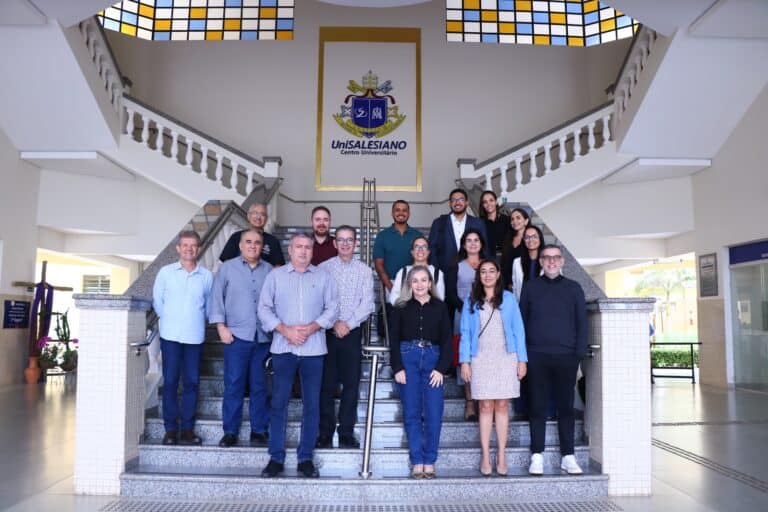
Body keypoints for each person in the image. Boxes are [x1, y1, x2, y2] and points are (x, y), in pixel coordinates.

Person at [257, 233, 339, 478]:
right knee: (279, 403)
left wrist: (313, 327)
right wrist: (286, 330)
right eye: (298, 247)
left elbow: (333, 308)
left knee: (311, 405)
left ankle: (305, 458)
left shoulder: (324, 277)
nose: (303, 251)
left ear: (312, 252)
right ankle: (276, 457)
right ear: (290, 250)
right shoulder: (275, 276)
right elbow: (263, 309)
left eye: (307, 247)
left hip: (314, 351)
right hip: (283, 349)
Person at [519, 244, 587, 476]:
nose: (551, 262)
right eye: (546, 258)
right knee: (537, 406)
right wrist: (524, 355)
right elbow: (522, 323)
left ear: (562, 261)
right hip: (536, 355)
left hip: (566, 357)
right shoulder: (530, 288)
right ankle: (536, 454)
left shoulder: (574, 288)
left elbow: (582, 324)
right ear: (540, 262)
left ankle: (568, 455)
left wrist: (577, 354)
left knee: (565, 408)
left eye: (555, 258)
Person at [459, 260, 527, 476]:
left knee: (503, 406)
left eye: (491, 271)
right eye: (483, 272)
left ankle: (502, 454)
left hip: (506, 356)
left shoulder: (509, 299)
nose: (487, 275)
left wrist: (522, 360)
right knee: (486, 405)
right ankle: (486, 455)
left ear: (498, 274)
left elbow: (519, 330)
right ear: (478, 276)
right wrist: (465, 361)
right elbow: (465, 334)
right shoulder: (470, 301)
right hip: (481, 357)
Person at [209, 229, 273, 448]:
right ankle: (230, 431)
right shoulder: (227, 269)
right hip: (236, 337)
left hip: (263, 337)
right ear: (240, 245)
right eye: (248, 242)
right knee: (234, 384)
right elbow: (216, 298)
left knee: (259, 386)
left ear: (262, 246)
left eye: (257, 242)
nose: (253, 245)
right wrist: (220, 327)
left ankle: (259, 430)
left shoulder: (270, 271)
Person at [389, 266, 452, 479]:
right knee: (412, 412)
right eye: (414, 281)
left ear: (430, 283)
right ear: (409, 284)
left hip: (433, 359)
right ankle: (417, 460)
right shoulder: (400, 307)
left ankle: (430, 460)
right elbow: (394, 339)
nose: (419, 284)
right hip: (408, 358)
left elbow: (446, 339)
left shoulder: (440, 307)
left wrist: (441, 368)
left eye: (424, 280)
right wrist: (397, 367)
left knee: (434, 412)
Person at [152, 230, 213, 446]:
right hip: (170, 336)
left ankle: (187, 428)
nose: (189, 249)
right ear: (178, 248)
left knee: (192, 383)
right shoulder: (165, 273)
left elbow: (208, 306)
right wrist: (170, 318)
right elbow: (158, 302)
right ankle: (170, 429)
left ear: (199, 248)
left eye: (193, 245)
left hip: (195, 337)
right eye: (185, 245)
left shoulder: (206, 276)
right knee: (170, 382)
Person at [317, 226, 375, 449]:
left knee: (351, 384)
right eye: (340, 240)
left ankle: (347, 432)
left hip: (351, 334)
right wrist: (333, 324)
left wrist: (347, 324)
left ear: (356, 243)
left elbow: (367, 303)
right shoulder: (323, 269)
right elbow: (319, 301)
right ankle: (325, 432)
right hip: (328, 333)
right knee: (327, 385)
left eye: (349, 240)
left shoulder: (364, 271)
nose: (345, 244)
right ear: (334, 243)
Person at [445, 228, 486, 421]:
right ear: (463, 244)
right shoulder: (457, 266)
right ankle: (469, 403)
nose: (472, 243)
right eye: (468, 240)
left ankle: (485, 401)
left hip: (488, 317)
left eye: (476, 240)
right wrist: (467, 307)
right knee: (467, 359)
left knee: (485, 357)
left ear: (481, 243)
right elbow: (450, 294)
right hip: (463, 315)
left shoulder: (488, 265)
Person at [428, 188, 491, 273]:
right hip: (444, 272)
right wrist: (436, 271)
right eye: (454, 200)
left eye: (461, 199)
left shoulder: (478, 223)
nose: (457, 202)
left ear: (467, 202)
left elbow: (484, 249)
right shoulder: (439, 223)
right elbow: (432, 248)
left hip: (472, 272)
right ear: (450, 204)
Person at [373, 200, 421, 295]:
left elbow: (422, 262)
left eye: (404, 210)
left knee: (413, 310)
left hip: (414, 284)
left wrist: (416, 285)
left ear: (409, 213)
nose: (401, 213)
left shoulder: (417, 235)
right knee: (393, 310)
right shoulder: (382, 236)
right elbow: (378, 265)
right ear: (392, 213)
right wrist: (391, 287)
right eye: (397, 210)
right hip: (391, 283)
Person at [219, 202, 285, 267]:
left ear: (266, 219)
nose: (258, 217)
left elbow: (278, 266)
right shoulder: (236, 237)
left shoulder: (273, 241)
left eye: (262, 214)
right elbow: (226, 262)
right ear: (248, 216)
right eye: (255, 213)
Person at [387, 236, 445, 305]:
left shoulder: (437, 273)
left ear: (428, 252)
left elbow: (440, 298)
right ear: (412, 252)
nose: (420, 249)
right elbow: (394, 296)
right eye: (417, 247)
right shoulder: (403, 272)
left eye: (424, 246)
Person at [511, 225, 545, 301]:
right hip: (523, 304)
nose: (530, 240)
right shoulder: (517, 262)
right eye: (527, 237)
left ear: (540, 239)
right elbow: (515, 287)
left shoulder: (550, 261)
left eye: (534, 236)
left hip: (544, 305)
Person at [500, 207, 530, 290]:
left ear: (526, 221)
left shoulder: (531, 240)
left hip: (524, 284)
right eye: (512, 219)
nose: (514, 221)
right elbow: (504, 262)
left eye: (518, 218)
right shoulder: (508, 238)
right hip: (506, 283)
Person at [478, 190, 510, 260]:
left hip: (508, 258)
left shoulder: (507, 219)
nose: (488, 204)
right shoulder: (479, 223)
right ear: (483, 205)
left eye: (491, 200)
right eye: (485, 202)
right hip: (489, 260)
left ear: (496, 202)